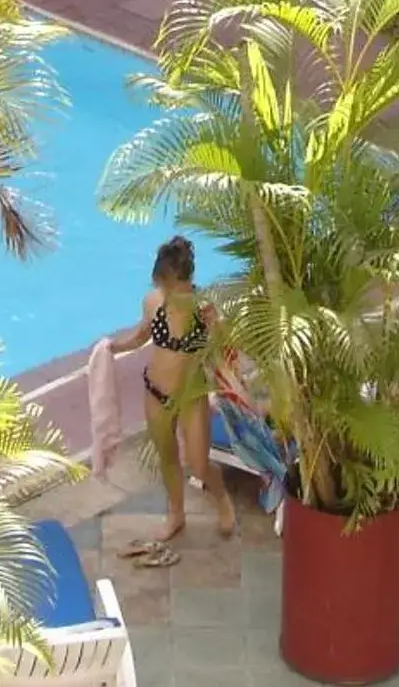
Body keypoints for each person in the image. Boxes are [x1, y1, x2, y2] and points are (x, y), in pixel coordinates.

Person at [108, 235, 236, 558]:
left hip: (191, 397)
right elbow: (141, 335)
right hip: (156, 394)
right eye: (163, 285)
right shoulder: (153, 302)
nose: (168, 291)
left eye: (172, 286)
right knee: (167, 459)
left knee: (198, 463)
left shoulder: (203, 308)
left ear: (187, 281)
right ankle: (176, 514)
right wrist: (113, 348)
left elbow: (225, 346)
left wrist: (217, 326)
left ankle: (221, 499)